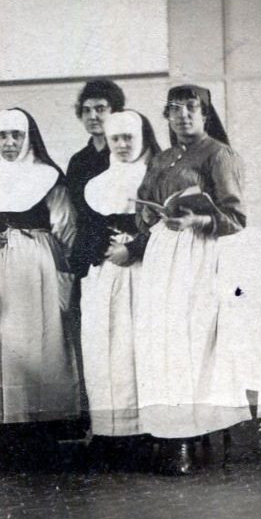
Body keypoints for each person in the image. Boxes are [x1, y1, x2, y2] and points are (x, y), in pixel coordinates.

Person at [129, 84, 247, 475]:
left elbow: (235, 219)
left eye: (191, 108)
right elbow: (144, 206)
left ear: (205, 113)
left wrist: (196, 218)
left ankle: (187, 437)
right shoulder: (161, 158)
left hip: (198, 254)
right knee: (160, 342)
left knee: (189, 342)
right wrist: (148, 215)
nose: (182, 116)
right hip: (163, 254)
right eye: (174, 110)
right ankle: (166, 432)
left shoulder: (218, 155)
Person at [0, 108, 80, 462]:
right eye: (3, 136)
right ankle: (9, 427)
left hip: (39, 264)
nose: (10, 143)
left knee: (43, 340)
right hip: (1, 267)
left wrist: (66, 275)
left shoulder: (48, 176)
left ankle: (45, 429)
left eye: (16, 135)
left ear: (29, 136)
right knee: (4, 342)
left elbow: (65, 227)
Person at [76, 110, 160, 456]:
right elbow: (85, 230)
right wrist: (102, 247)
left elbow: (166, 228)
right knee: (105, 351)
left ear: (142, 139)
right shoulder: (98, 182)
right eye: (116, 139)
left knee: (139, 351)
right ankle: (111, 435)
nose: (123, 145)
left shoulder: (158, 179)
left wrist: (134, 248)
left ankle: (150, 434)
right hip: (106, 275)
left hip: (145, 275)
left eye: (129, 138)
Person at [63, 79, 127, 216]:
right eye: (86, 110)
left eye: (100, 109)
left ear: (115, 112)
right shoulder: (77, 160)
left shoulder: (126, 155)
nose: (92, 116)